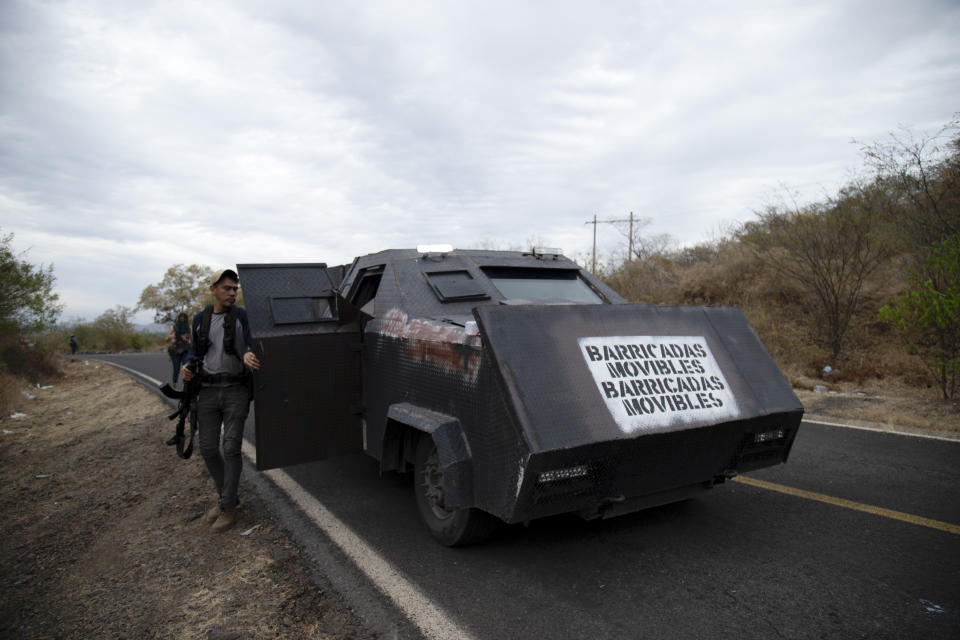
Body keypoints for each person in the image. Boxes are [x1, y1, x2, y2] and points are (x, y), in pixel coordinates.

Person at [181, 269, 261, 533]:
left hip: (236, 390)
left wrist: (249, 354)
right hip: (207, 391)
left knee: (231, 448)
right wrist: (186, 366)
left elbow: (252, 343)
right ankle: (228, 497)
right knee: (207, 448)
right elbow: (194, 351)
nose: (232, 293)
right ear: (213, 289)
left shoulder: (242, 317)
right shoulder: (200, 319)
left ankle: (227, 506)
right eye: (227, 288)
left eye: (235, 289)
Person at [166, 312, 192, 385]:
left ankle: (186, 385)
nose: (182, 319)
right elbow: (166, 339)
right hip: (175, 350)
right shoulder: (174, 327)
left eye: (184, 317)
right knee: (176, 368)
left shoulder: (189, 328)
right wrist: (171, 336)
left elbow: (192, 339)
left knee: (186, 367)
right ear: (179, 318)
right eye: (181, 317)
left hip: (186, 350)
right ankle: (174, 383)